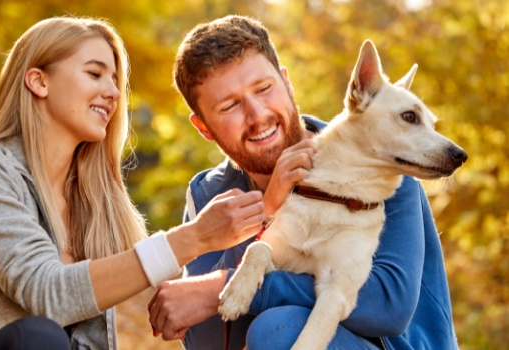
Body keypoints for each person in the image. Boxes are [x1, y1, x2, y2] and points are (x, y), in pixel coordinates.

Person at [0, 16, 267, 349]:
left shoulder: (90, 202)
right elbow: (48, 294)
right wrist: (194, 237)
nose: (113, 92)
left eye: (115, 80)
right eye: (95, 73)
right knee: (40, 337)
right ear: (39, 81)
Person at [147, 15, 457, 349]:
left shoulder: (380, 160)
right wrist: (264, 212)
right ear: (204, 127)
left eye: (264, 89)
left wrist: (230, 285)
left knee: (278, 327)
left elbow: (388, 308)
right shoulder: (208, 194)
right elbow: (207, 337)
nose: (257, 115)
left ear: (286, 83)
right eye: (230, 105)